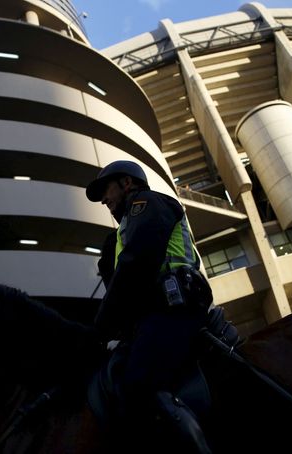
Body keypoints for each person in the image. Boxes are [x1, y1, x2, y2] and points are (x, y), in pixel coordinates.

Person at [86, 160, 213, 454]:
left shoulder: (148, 203)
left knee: (138, 383)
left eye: (106, 190)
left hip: (174, 307)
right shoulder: (121, 232)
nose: (104, 199)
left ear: (127, 183)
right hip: (150, 314)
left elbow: (138, 263)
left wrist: (100, 326)